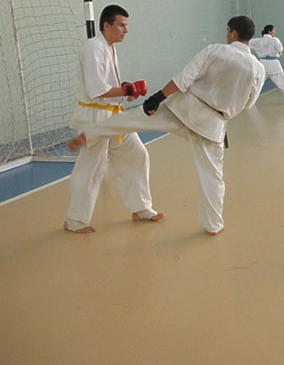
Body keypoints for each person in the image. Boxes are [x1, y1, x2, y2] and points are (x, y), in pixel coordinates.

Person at [68, 16, 266, 236]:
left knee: (132, 120)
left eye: (228, 30)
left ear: (234, 33)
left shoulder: (215, 50)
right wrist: (223, 109)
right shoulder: (258, 69)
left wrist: (157, 98)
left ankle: (89, 134)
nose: (227, 34)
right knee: (212, 177)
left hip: (183, 108)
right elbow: (249, 103)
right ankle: (214, 225)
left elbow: (184, 79)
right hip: (212, 124)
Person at [64, 5, 163, 234]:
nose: (125, 30)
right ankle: (74, 220)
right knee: (92, 168)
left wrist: (126, 91)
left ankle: (140, 208)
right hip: (95, 117)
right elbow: (96, 89)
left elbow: (109, 86)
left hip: (113, 115)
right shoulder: (93, 47)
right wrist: (127, 89)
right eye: (121, 25)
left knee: (136, 154)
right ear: (106, 25)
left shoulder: (109, 48)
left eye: (126, 26)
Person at [249, 24, 284, 103]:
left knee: (256, 83)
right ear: (269, 31)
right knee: (283, 83)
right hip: (274, 64)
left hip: (262, 63)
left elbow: (248, 43)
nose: (274, 32)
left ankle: (247, 99)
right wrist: (277, 52)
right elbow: (280, 49)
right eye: (273, 30)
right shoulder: (275, 40)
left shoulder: (257, 41)